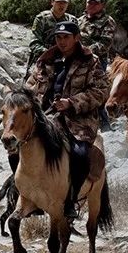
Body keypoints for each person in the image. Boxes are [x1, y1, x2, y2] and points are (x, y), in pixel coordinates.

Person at [27, 21, 108, 221]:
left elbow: (101, 91)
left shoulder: (91, 61)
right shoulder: (46, 59)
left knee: (80, 154)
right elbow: (30, 85)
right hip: (45, 116)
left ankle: (71, 199)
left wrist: (71, 103)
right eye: (58, 37)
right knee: (18, 148)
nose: (61, 42)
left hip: (79, 120)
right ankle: (25, 194)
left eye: (66, 37)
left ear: (77, 37)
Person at [78, 0, 117, 132]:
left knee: (98, 91)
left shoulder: (108, 21)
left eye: (96, 3)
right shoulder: (79, 20)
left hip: (98, 62)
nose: (92, 6)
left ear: (102, 5)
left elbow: (105, 43)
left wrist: (88, 50)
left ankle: (105, 123)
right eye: (90, 2)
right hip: (78, 60)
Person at [28, 0, 76, 71]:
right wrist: (49, 54)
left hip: (65, 60)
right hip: (43, 59)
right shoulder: (42, 19)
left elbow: (76, 42)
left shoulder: (72, 20)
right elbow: (34, 43)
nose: (61, 5)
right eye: (58, 2)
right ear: (52, 2)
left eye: (64, 2)